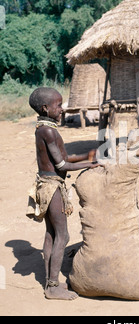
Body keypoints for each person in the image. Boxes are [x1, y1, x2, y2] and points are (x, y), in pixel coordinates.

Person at [27, 87, 102, 300]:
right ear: (45, 108)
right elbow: (62, 164)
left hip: (46, 184)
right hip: (52, 188)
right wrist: (91, 164)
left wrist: (88, 156)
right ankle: (52, 286)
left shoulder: (43, 127)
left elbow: (63, 156)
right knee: (63, 235)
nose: (62, 109)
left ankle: (50, 281)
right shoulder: (49, 131)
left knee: (51, 234)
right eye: (58, 105)